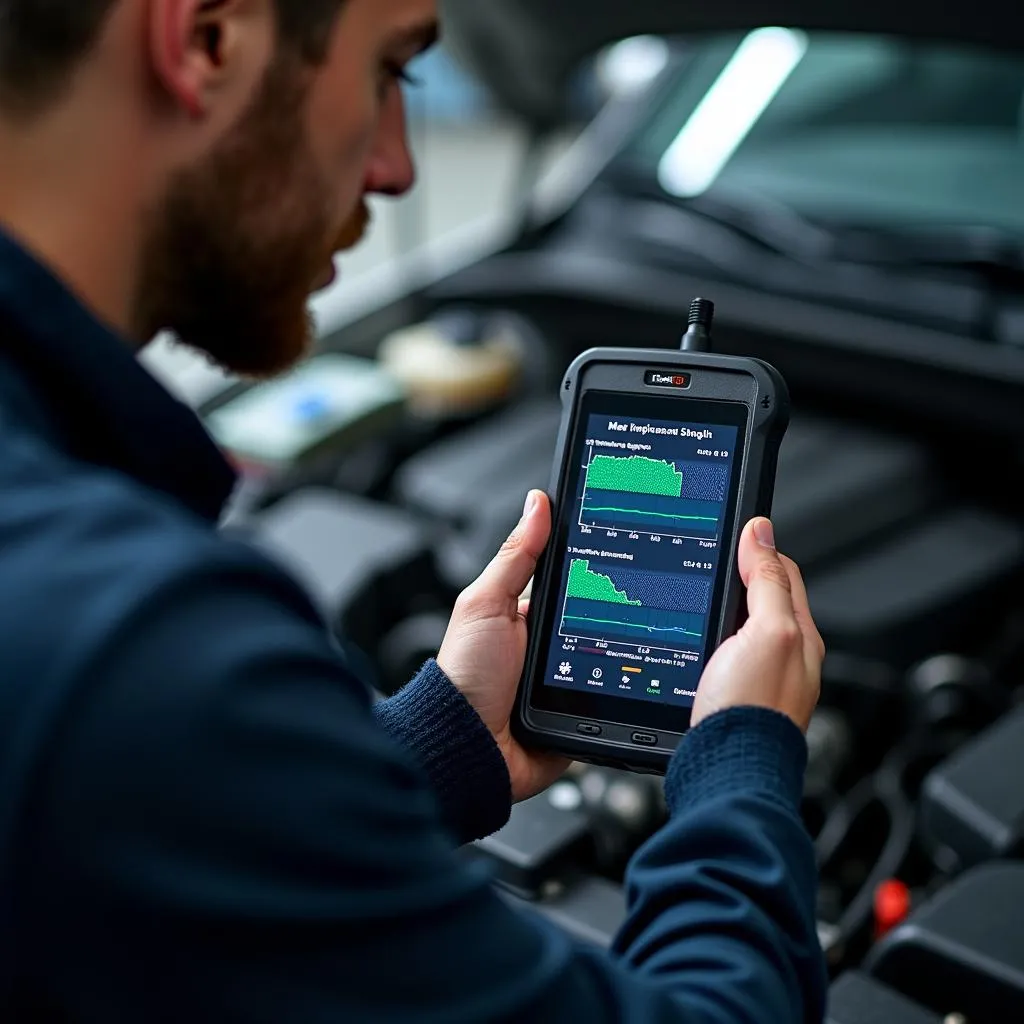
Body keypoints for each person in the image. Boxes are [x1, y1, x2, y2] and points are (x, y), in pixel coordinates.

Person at [0, 0, 828, 1020]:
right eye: (394, 71)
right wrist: (743, 759)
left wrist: (439, 744)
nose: (396, 166)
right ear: (208, 38)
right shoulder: (133, 646)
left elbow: (132, 826)